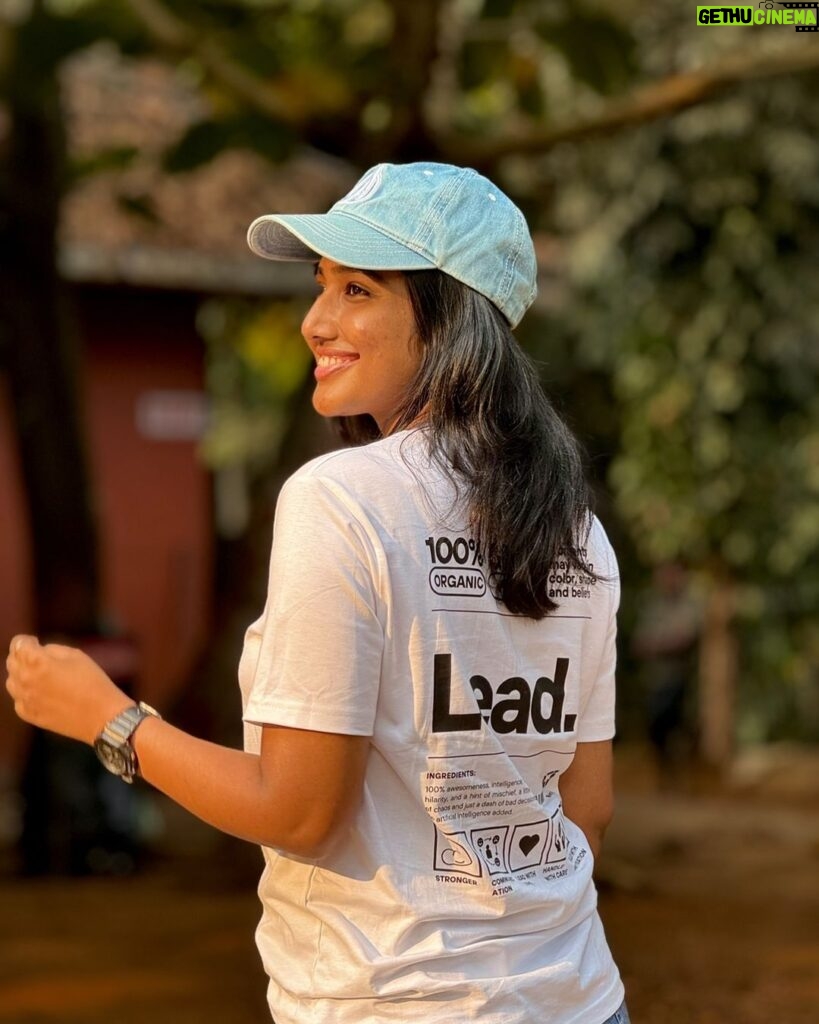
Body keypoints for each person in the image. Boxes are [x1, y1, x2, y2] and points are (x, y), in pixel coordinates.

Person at [6, 162, 629, 1024]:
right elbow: (584, 814)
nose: (315, 321)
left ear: (450, 322)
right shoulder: (577, 533)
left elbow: (297, 812)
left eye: (358, 290)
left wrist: (110, 720)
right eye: (321, 286)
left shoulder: (342, 499)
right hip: (579, 997)